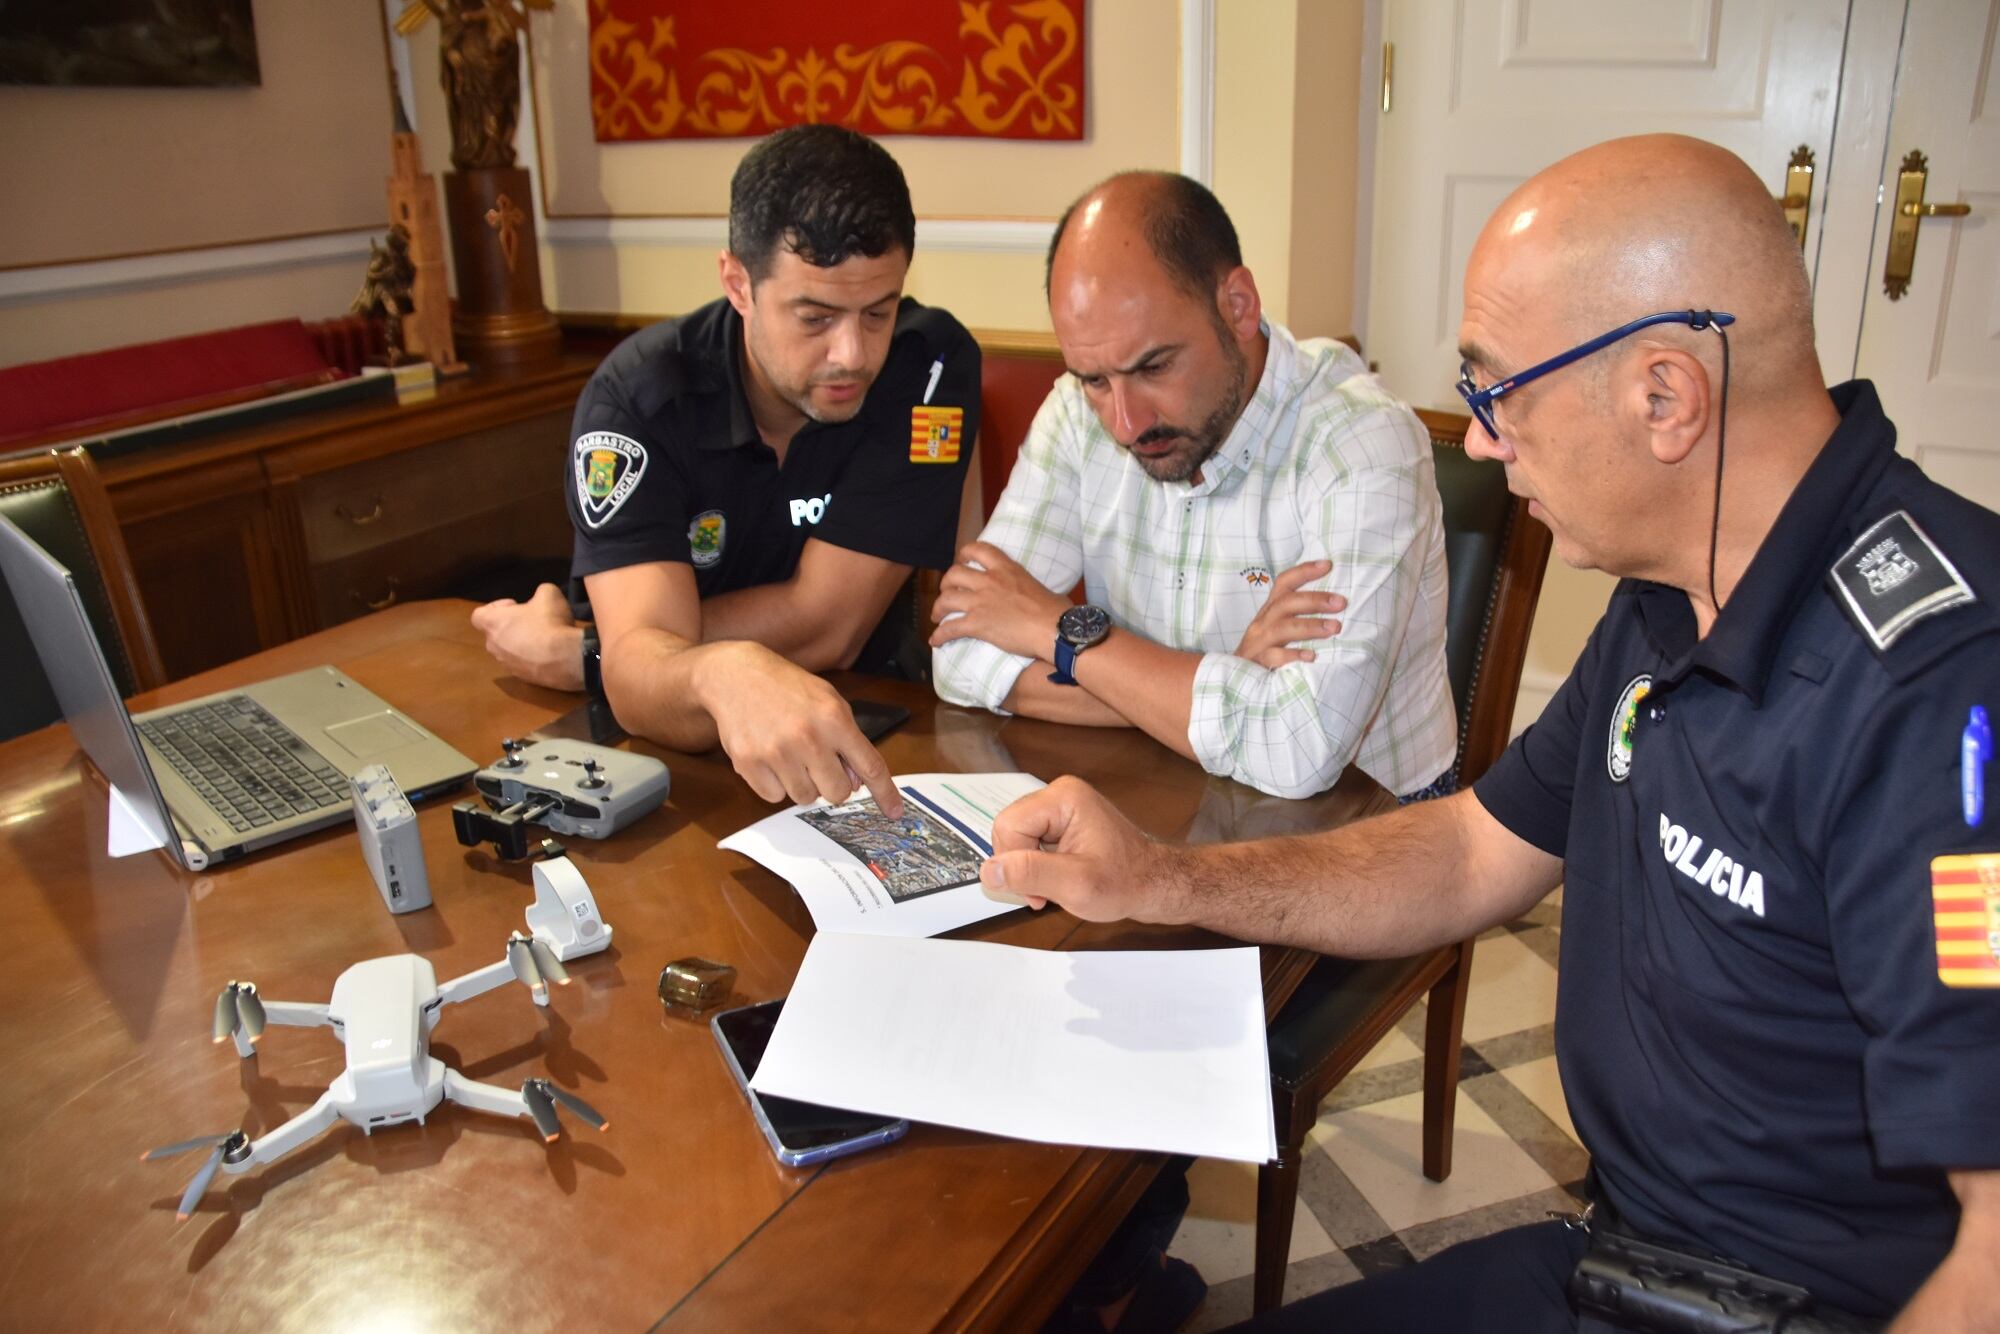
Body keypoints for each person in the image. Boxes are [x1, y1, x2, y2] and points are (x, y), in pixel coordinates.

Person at [976, 135, 2000, 1330]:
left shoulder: (1941, 691)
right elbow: (1470, 848)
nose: (1475, 439)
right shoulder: (1671, 587)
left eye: (1496, 388)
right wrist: (1161, 877)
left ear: (1664, 395)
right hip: (1629, 1254)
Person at [473, 125, 980, 817]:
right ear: (738, 283)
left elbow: (829, 626)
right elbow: (641, 685)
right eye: (815, 316)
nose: (853, 354)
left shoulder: (928, 367)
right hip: (659, 764)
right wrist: (667, 668)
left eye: (878, 312)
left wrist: (597, 656)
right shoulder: (638, 400)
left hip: (863, 720)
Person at [928, 172, 1456, 802]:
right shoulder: (1076, 414)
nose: (1126, 423)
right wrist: (1219, 677)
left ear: (1237, 306)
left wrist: (1052, 630)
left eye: (1153, 367)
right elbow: (956, 654)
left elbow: (1296, 748)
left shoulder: (1362, 440)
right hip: (1162, 802)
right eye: (1094, 380)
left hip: (1369, 835)